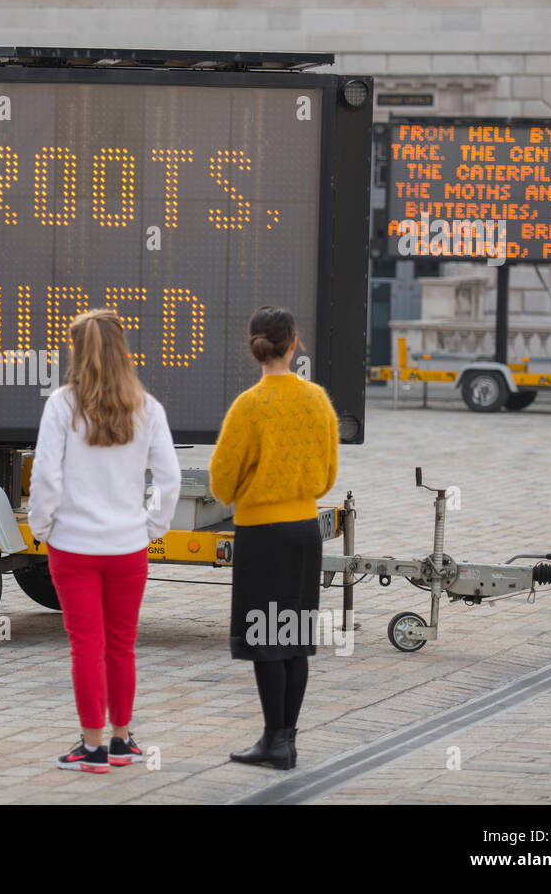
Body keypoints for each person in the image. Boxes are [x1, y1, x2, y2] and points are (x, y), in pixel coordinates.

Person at [29, 308, 182, 773]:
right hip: (128, 547)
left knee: (86, 646)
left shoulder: (62, 405)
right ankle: (120, 741)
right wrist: (151, 527)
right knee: (121, 644)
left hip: (72, 546)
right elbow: (170, 479)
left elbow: (45, 476)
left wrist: (42, 527)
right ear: (123, 351)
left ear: (77, 351)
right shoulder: (147, 408)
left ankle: (91, 747)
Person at [209, 306, 339, 770]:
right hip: (305, 531)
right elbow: (327, 477)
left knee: (266, 636)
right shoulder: (317, 400)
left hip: (260, 534)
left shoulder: (249, 406)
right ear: (294, 342)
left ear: (254, 345)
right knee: (295, 636)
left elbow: (221, 482)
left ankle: (273, 741)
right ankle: (287, 740)